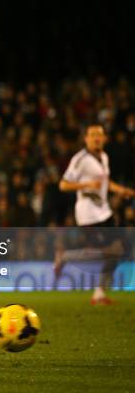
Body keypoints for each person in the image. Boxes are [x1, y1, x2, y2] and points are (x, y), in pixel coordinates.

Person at [56, 123, 134, 304]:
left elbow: (106, 182)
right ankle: (65, 256)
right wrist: (86, 185)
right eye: (92, 135)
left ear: (105, 138)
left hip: (104, 212)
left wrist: (121, 190)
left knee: (123, 249)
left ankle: (99, 293)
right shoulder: (80, 159)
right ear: (86, 139)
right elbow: (63, 184)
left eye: (100, 134)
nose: (97, 138)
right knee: (108, 251)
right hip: (88, 215)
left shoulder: (104, 157)